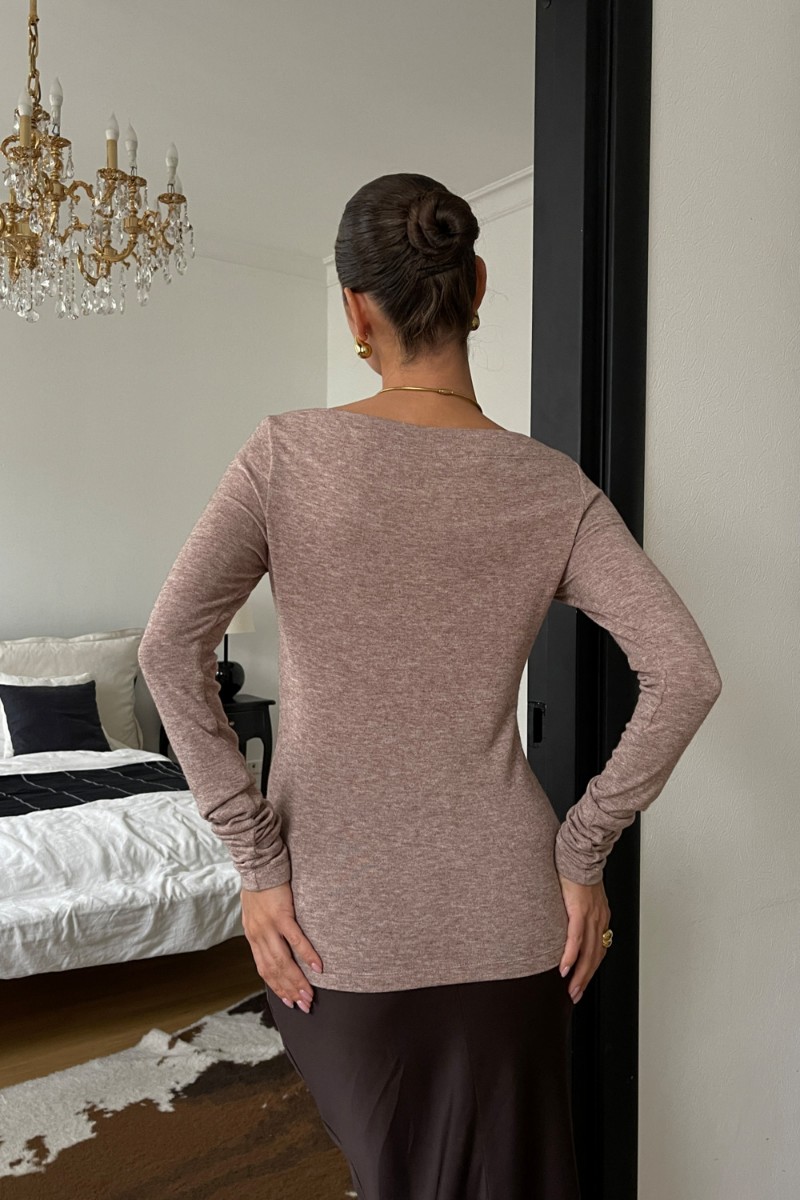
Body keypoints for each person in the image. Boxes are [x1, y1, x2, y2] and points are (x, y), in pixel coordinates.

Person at [137, 172, 722, 1200]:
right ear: (477, 284)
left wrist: (256, 860)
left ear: (355, 310)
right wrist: (580, 851)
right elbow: (685, 673)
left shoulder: (288, 455)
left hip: (337, 923)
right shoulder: (551, 486)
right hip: (514, 918)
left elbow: (168, 649)